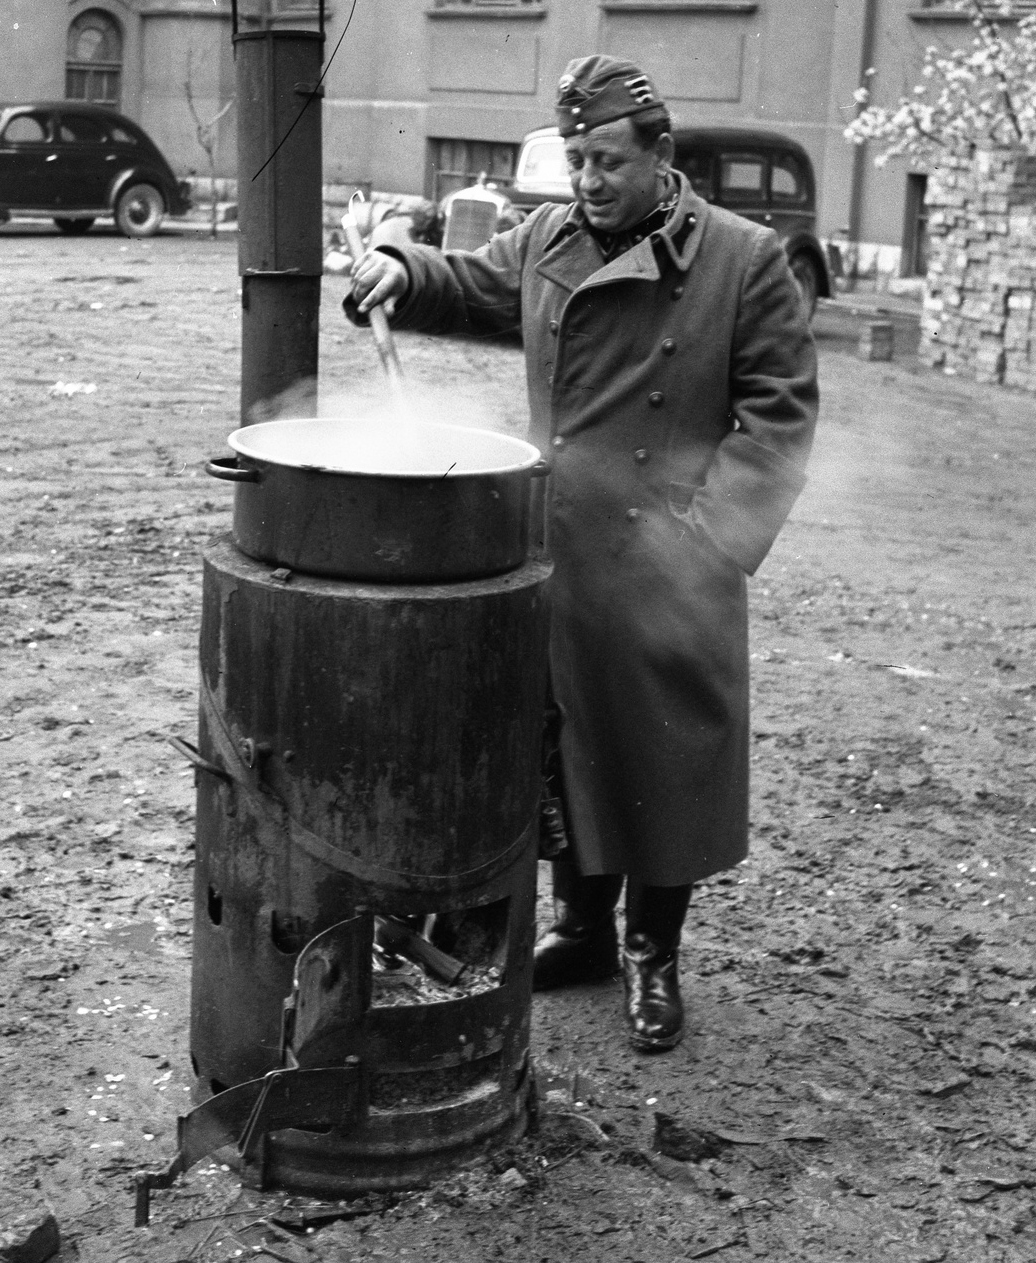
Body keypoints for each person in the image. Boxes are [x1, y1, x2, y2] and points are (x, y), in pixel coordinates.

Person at [347, 56, 819, 1051]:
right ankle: (581, 932)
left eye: (607, 161)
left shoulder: (743, 262)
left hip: (669, 568)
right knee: (566, 751)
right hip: (557, 555)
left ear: (660, 155)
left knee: (661, 759)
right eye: (576, 161)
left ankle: (652, 954)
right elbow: (467, 286)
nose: (589, 181)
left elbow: (777, 422)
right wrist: (399, 267)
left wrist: (703, 551)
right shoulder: (548, 240)